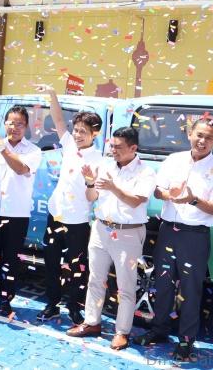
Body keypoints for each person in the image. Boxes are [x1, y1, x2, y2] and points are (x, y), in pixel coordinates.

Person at [134, 118, 213, 361]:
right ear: (190, 134)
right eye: (199, 135)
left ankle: (186, 341)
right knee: (163, 284)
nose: (202, 141)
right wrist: (171, 194)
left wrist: (192, 199)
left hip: (194, 236)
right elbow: (158, 191)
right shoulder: (173, 160)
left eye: (209, 137)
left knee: (190, 291)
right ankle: (159, 330)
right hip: (168, 230)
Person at [67, 127, 156, 351]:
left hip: (128, 232)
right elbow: (92, 197)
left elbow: (136, 201)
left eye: (118, 147)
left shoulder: (146, 172)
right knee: (95, 279)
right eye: (112, 146)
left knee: (126, 286)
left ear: (133, 148)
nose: (113, 151)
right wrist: (90, 183)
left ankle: (122, 332)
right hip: (101, 228)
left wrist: (113, 187)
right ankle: (92, 322)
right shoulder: (106, 166)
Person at [35, 85, 106, 325]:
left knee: (77, 267)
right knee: (51, 263)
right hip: (56, 215)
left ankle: (74, 307)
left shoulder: (100, 160)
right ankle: (52, 304)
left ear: (95, 134)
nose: (77, 135)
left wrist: (90, 182)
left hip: (78, 222)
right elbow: (58, 119)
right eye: (76, 130)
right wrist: (52, 94)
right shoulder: (69, 145)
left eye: (83, 132)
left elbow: (92, 197)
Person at [0, 106, 42, 315]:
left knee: (11, 259)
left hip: (17, 213)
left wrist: (3, 148)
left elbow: (20, 169)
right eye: (11, 123)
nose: (15, 127)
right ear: (4, 124)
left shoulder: (33, 151)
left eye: (20, 123)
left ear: (26, 127)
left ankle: (6, 297)